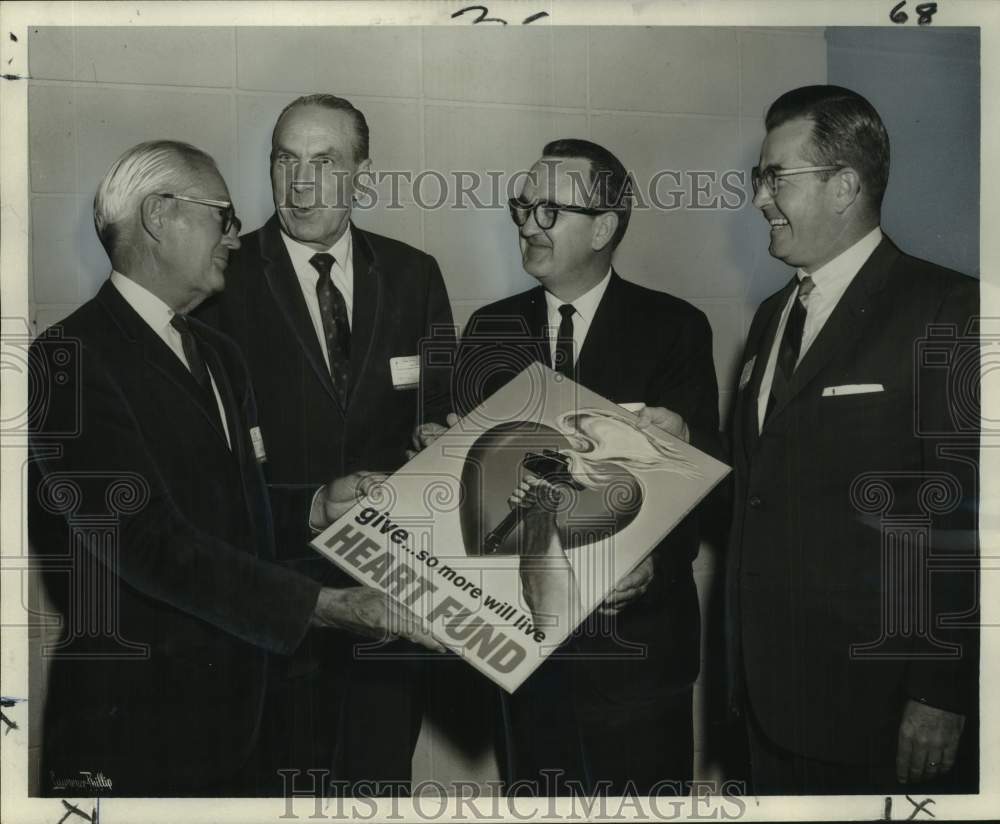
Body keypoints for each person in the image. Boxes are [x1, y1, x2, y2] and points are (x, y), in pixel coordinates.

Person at [28, 140, 442, 797]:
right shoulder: (68, 360)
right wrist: (326, 605)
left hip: (243, 723)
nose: (236, 235)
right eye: (223, 214)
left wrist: (316, 505)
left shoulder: (216, 351)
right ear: (161, 215)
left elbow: (226, 514)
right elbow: (145, 543)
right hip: (136, 732)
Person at [196, 94, 456, 793]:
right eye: (285, 160)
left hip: (390, 607)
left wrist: (446, 438)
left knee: (377, 791)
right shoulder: (220, 279)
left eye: (324, 162)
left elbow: (442, 415)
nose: (300, 182)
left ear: (361, 174)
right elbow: (203, 474)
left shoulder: (413, 274)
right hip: (272, 611)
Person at [727, 85, 979, 794]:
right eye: (759, 177)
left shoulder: (950, 309)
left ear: (844, 186)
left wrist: (943, 692)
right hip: (769, 704)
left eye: (777, 177)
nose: (759, 198)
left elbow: (969, 520)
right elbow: (761, 491)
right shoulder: (772, 316)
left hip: (883, 708)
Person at [452, 138, 720, 795]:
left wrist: (652, 562)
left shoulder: (675, 327)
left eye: (549, 211)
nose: (527, 225)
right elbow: (468, 491)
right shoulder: (488, 331)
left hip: (636, 660)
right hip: (522, 651)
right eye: (522, 206)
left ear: (603, 227)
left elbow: (704, 481)